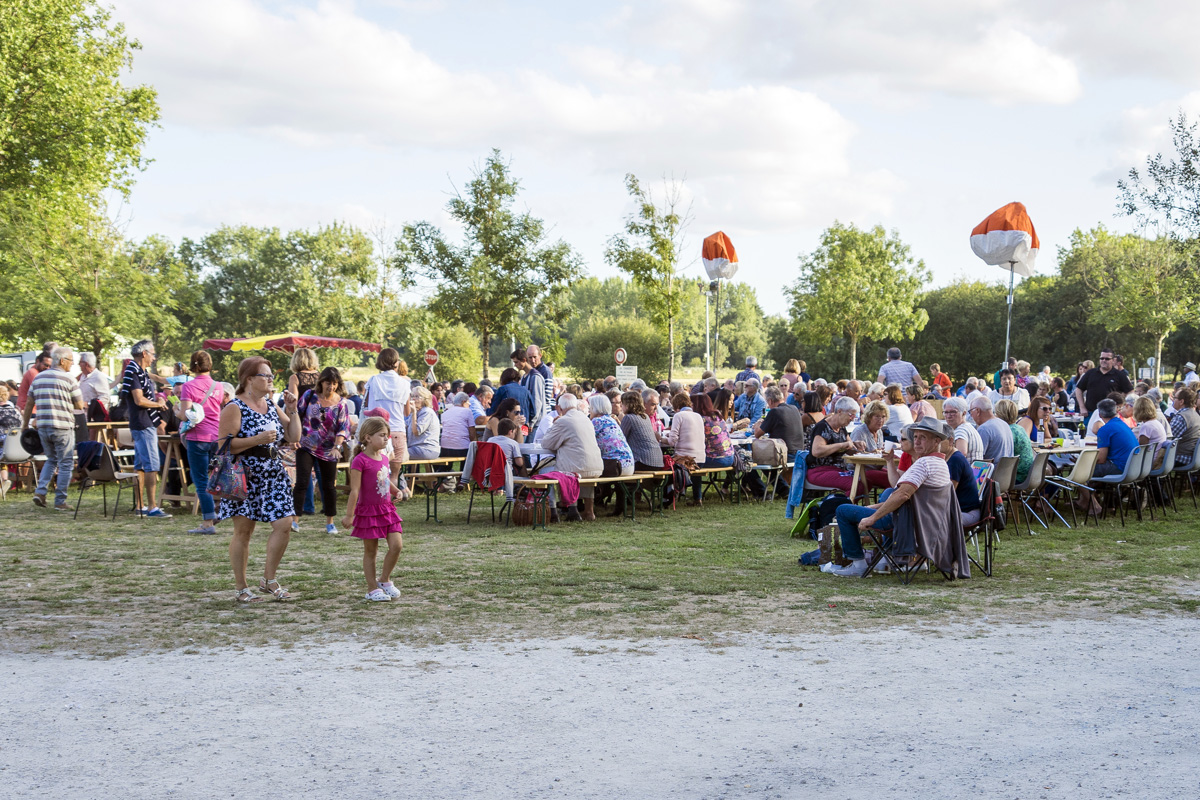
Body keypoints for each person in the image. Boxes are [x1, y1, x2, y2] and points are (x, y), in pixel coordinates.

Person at [217, 357, 302, 603]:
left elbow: (293, 435)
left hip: (273, 471)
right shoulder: (234, 407)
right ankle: (242, 587)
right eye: (265, 375)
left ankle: (268, 579)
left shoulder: (271, 404)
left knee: (284, 523)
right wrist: (257, 440)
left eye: (271, 376)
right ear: (249, 379)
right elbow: (224, 445)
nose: (270, 380)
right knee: (244, 531)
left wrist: (292, 408)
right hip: (244, 473)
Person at [828, 417, 953, 578]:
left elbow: (903, 495)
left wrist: (872, 518)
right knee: (887, 493)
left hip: (907, 523)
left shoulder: (924, 464)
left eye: (923, 437)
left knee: (843, 510)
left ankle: (858, 564)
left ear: (936, 441)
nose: (917, 441)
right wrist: (872, 508)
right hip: (927, 520)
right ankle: (884, 558)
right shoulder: (940, 463)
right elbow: (900, 491)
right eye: (915, 437)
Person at [342, 416, 404, 602]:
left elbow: (384, 479)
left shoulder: (384, 458)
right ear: (368, 438)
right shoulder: (359, 461)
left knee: (397, 545)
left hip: (387, 509)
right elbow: (355, 491)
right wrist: (349, 515)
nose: (387, 439)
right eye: (382, 435)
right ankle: (371, 588)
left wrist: (396, 490)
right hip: (368, 511)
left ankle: (384, 580)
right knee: (371, 551)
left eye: (388, 436)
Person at [20, 346, 84, 511]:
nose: (72, 365)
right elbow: (79, 405)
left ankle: (40, 492)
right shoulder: (69, 379)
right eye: (71, 361)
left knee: (51, 459)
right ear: (62, 361)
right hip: (62, 426)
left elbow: (28, 404)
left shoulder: (39, 378)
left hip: (43, 426)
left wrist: (25, 425)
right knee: (65, 463)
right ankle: (60, 501)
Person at [293, 366, 350, 535]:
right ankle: (295, 520)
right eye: (327, 382)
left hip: (329, 449)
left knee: (328, 486)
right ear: (321, 382)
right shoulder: (309, 396)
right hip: (306, 445)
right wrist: (293, 438)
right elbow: (296, 415)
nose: (330, 386)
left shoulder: (341, 403)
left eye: (334, 383)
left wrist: (337, 447)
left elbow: (343, 428)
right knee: (302, 482)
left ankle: (330, 522)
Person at [120, 339, 172, 519]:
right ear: (144, 354)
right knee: (152, 466)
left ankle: (141, 505)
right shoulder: (134, 372)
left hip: (142, 423)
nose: (154, 358)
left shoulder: (140, 371)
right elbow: (139, 400)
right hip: (143, 423)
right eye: (152, 354)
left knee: (140, 466)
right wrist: (158, 404)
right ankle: (152, 507)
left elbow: (155, 380)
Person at [177, 351, 225, 534]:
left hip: (197, 437)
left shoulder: (188, 387)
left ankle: (207, 523)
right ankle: (217, 512)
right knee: (216, 479)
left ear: (193, 365)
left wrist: (176, 411)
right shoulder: (218, 386)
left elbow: (185, 414)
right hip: (216, 436)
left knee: (201, 481)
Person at [806, 396, 889, 495]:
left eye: (854, 416)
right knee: (859, 485)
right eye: (851, 415)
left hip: (838, 470)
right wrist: (842, 445)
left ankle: (842, 506)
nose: (852, 419)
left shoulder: (841, 428)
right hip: (819, 470)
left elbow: (850, 448)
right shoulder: (823, 427)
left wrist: (856, 445)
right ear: (840, 411)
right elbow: (816, 451)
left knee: (866, 482)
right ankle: (835, 507)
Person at [541, 394, 604, 521]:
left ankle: (568, 510)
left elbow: (546, 443)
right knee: (580, 463)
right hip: (596, 467)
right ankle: (589, 511)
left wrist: (554, 426)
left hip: (576, 469)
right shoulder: (586, 418)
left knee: (555, 469)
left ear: (560, 407)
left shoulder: (562, 421)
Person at [364, 348, 413, 492]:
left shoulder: (373, 380)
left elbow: (366, 405)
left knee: (376, 470)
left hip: (376, 430)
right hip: (397, 429)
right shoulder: (405, 383)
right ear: (396, 362)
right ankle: (389, 502)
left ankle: (377, 500)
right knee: (394, 473)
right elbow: (407, 411)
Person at [1074, 348, 1133, 416]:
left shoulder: (1119, 375)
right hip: (1091, 413)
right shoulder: (1090, 373)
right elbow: (1078, 389)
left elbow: (1130, 391)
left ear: (1113, 360)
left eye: (1107, 359)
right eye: (1102, 358)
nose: (1104, 360)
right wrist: (1082, 407)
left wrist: (1122, 405)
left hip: (1111, 414)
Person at [588, 394, 634, 478]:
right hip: (629, 464)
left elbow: (586, 441)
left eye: (590, 407)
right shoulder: (611, 420)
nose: (589, 410)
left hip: (616, 466)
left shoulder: (597, 421)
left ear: (596, 408)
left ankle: (600, 491)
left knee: (589, 469)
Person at [1092, 398, 1138, 478]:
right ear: (1116, 411)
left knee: (1081, 470)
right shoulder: (1123, 425)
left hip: (1120, 468)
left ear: (1100, 415)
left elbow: (1101, 459)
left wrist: (1082, 462)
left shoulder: (1105, 429)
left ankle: (1085, 491)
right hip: (1133, 466)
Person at [994, 399, 1033, 483]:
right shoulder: (1019, 428)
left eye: (996, 413)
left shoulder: (1007, 431)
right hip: (1029, 474)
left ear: (1000, 414)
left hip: (1016, 477)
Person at [968, 395, 1013, 462]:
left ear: (978, 411)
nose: (971, 415)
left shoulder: (984, 429)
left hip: (990, 471)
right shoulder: (1004, 424)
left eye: (971, 412)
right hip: (1006, 471)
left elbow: (977, 459)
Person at [942, 397, 983, 462]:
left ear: (964, 413)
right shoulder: (969, 427)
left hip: (967, 470)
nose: (948, 416)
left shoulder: (961, 431)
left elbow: (961, 454)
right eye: (946, 412)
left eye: (953, 412)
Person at [407, 386, 442, 462]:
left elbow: (416, 431)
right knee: (394, 451)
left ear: (424, 399)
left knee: (397, 455)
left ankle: (393, 474)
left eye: (417, 396)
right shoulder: (416, 411)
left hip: (427, 449)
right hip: (416, 448)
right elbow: (406, 428)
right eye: (412, 396)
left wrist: (414, 413)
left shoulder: (427, 412)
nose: (413, 399)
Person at [16, 343, 55, 412]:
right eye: (46, 365)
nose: (48, 368)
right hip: (30, 411)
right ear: (37, 361)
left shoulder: (37, 372)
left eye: (50, 366)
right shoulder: (33, 373)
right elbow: (41, 392)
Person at [523, 345, 555, 425]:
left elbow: (546, 397)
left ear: (540, 355)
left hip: (541, 415)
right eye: (530, 358)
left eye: (535, 357)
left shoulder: (545, 371)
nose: (533, 360)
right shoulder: (530, 371)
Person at [78, 352, 114, 423]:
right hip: (83, 417)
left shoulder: (98, 377)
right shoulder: (83, 376)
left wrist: (88, 404)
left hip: (93, 419)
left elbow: (105, 397)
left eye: (80, 362)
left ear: (86, 364)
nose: (78, 364)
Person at [1133, 395, 1167, 469]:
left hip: (1150, 462)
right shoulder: (1156, 422)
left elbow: (1141, 449)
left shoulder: (1146, 426)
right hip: (1158, 460)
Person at [1169, 387, 1200, 466]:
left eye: (1175, 397)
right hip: (1193, 457)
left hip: (1181, 457)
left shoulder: (1181, 417)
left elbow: (1169, 438)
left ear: (1181, 401)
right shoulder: (1196, 415)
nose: (1173, 400)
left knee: (1147, 460)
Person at [439, 392, 475, 459]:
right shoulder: (467, 411)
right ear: (464, 402)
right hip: (462, 447)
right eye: (468, 403)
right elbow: (472, 432)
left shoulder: (445, 413)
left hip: (445, 447)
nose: (469, 405)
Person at [0, 384, 20, 496]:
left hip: (3, 449)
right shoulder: (16, 411)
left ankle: (3, 481)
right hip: (19, 450)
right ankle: (4, 481)